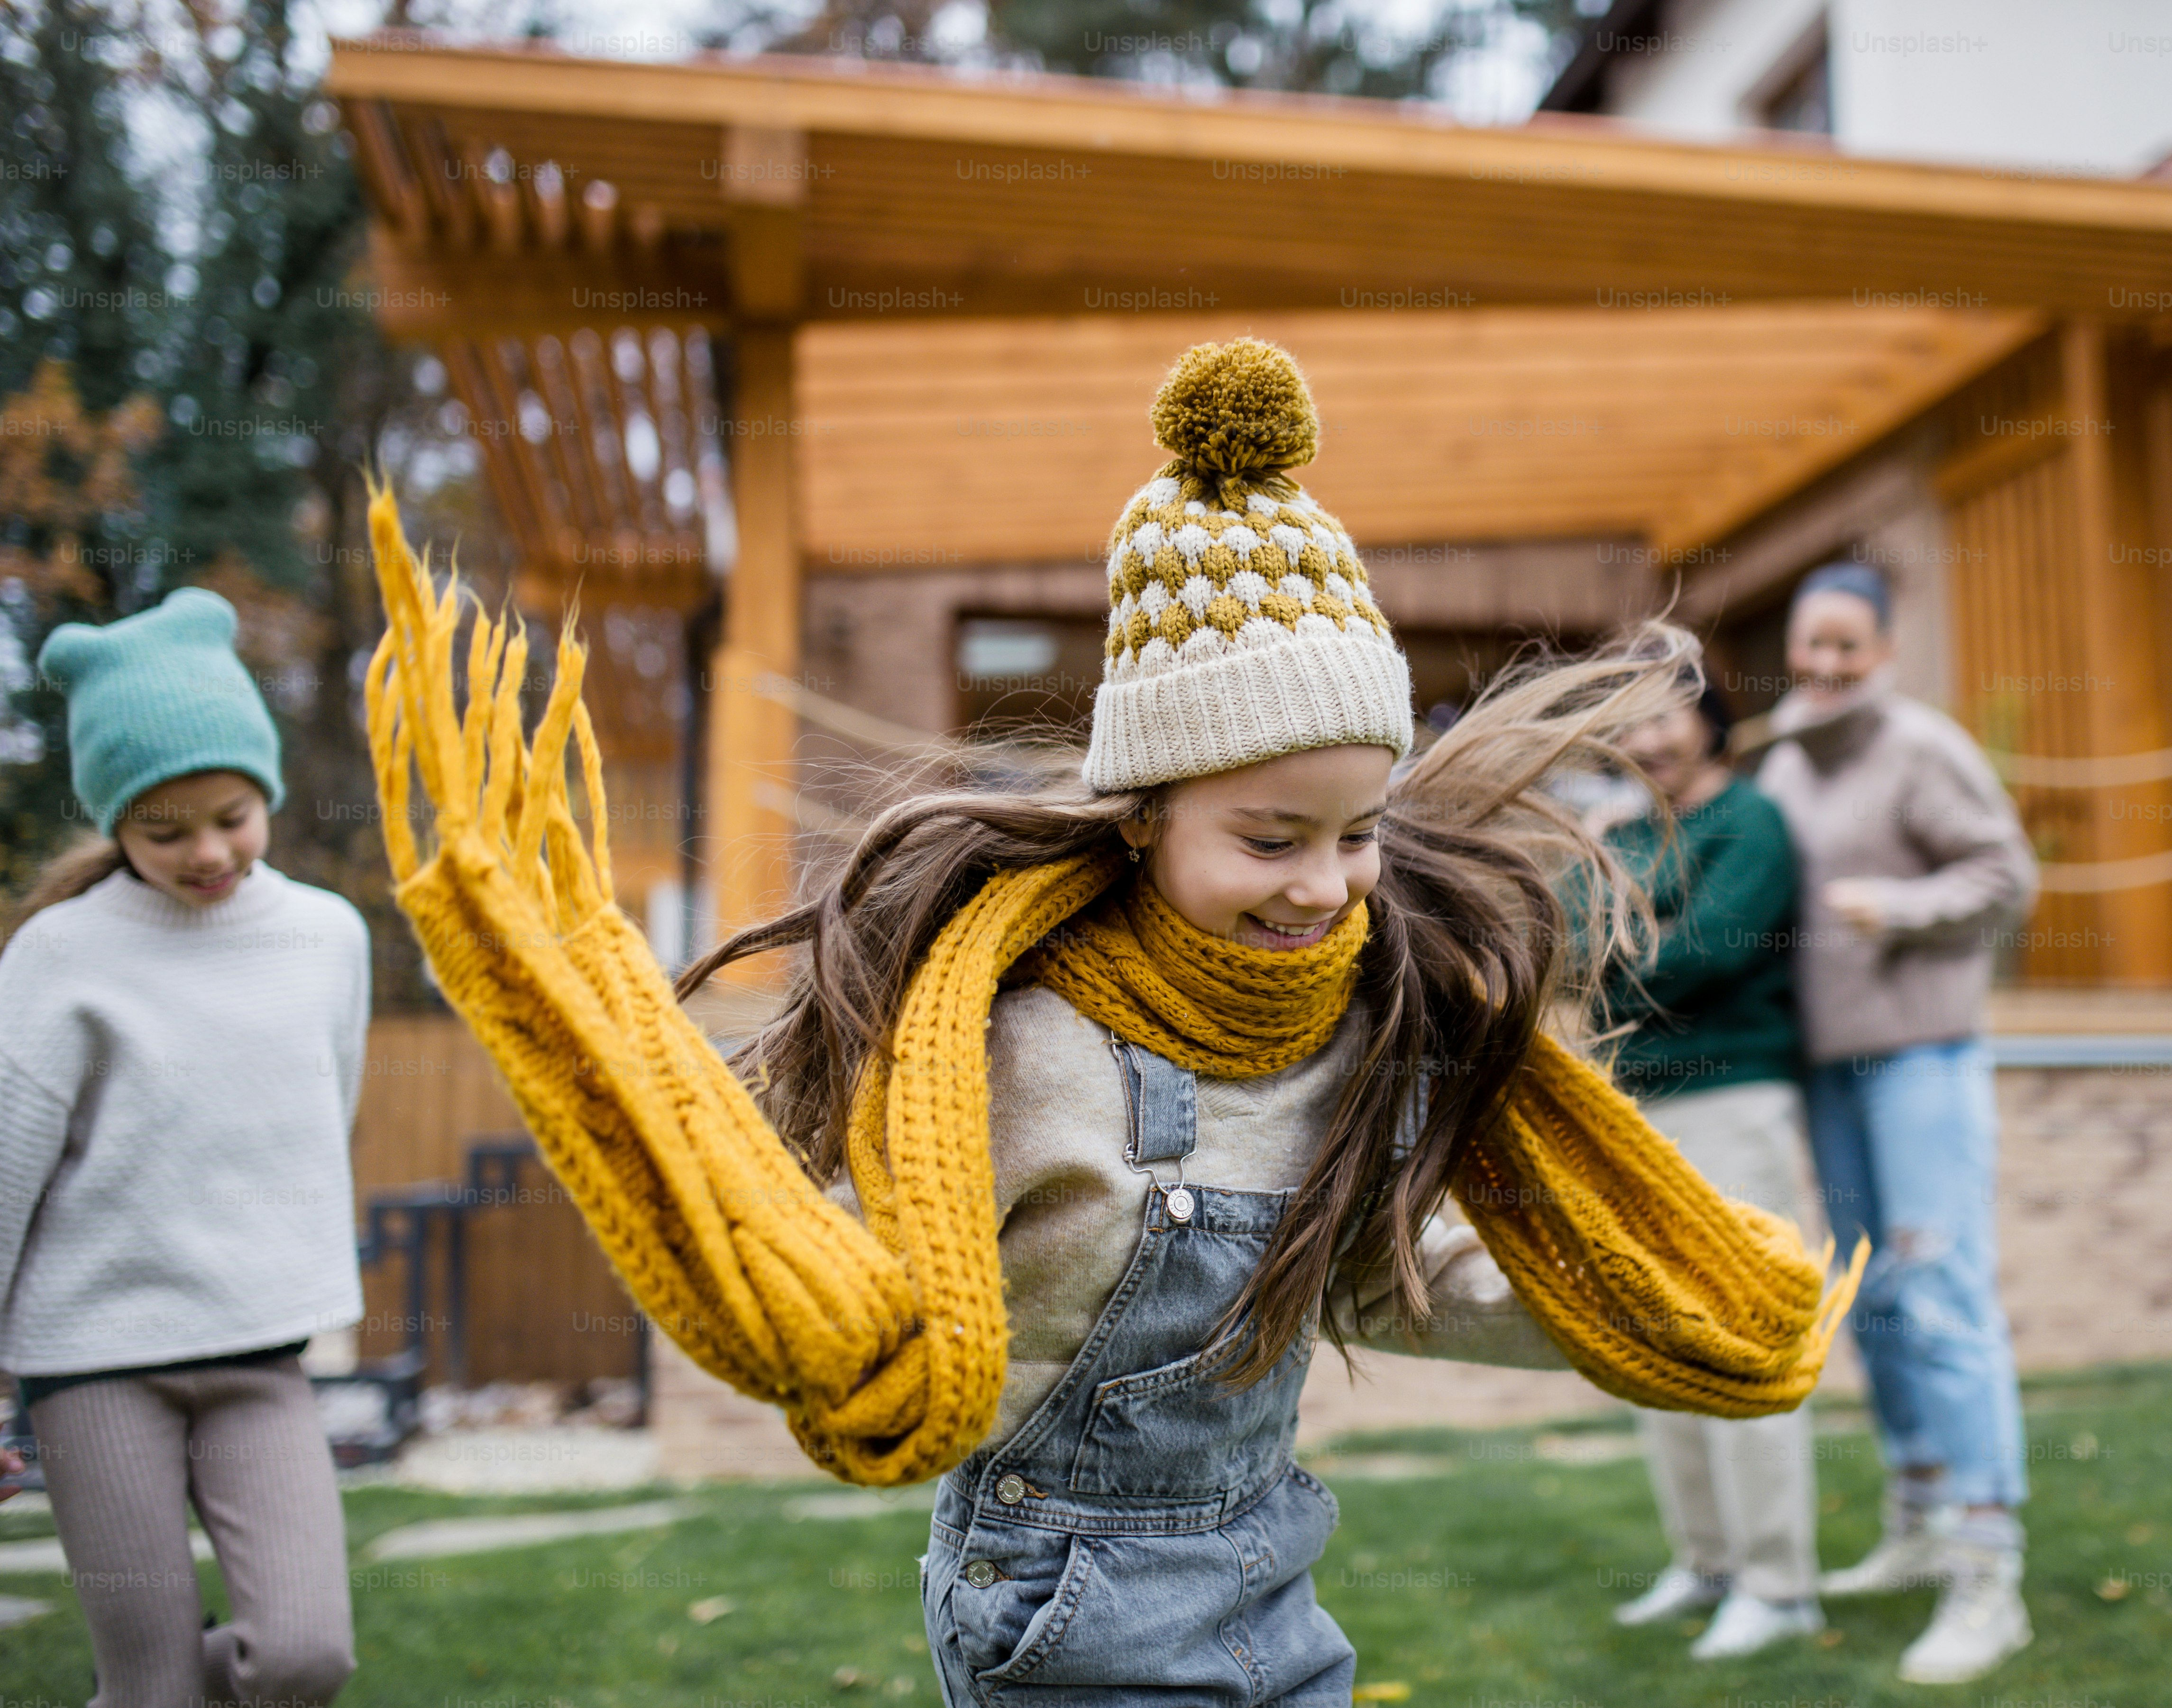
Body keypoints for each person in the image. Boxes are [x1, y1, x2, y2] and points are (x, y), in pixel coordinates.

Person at [356, 337, 1862, 1706]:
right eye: (1269, 840)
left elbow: (1367, 1277)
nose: (1322, 889)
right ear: (1141, 816)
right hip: (1061, 1612)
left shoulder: (1356, 1031)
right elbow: (869, 1244)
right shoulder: (1019, 1044)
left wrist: (1629, 1305)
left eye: (1358, 834)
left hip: (1272, 1583)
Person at [0, 589, 369, 1706]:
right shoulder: (60, 955)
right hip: (95, 1362)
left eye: (230, 816)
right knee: (152, 1684)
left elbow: (325, 1112)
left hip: (261, 1350)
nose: (207, 851)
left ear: (263, 791)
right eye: (165, 832)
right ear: (116, 823)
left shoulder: (326, 935)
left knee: (305, 1658)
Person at [1754, 561, 2040, 1686]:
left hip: (1921, 1057)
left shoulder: (1920, 749)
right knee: (1869, 1295)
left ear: (1880, 652)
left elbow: (2005, 873)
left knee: (1940, 1288)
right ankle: (1918, 1519)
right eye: (1809, 643)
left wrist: (1902, 909)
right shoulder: (1779, 763)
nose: (1825, 665)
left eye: (1847, 646)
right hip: (1828, 1070)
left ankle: (1988, 1568)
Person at [1600, 667, 1828, 1660]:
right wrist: (1629, 937)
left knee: (1744, 1333)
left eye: (1664, 713)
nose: (1646, 737)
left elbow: (1700, 955)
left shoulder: (1753, 822)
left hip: (1734, 1097)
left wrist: (1624, 940)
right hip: (1636, 1114)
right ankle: (1705, 1563)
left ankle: (1779, 1585)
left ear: (1708, 720)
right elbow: (1569, 939)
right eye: (1629, 721)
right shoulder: (1613, 837)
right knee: (1657, 1335)